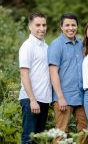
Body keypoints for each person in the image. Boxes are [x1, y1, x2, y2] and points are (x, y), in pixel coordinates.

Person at [48, 13, 88, 144]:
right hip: (63, 97)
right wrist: (60, 97)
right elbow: (53, 72)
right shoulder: (56, 45)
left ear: (77, 26)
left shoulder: (80, 45)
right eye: (67, 25)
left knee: (85, 132)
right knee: (61, 134)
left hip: (80, 96)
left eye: (73, 25)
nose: (71, 28)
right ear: (61, 27)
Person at [19, 12, 52, 144]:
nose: (42, 28)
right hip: (31, 99)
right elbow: (24, 74)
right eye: (37, 25)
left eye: (44, 25)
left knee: (38, 140)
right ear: (30, 27)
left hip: (43, 99)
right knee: (28, 139)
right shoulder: (27, 47)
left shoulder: (46, 46)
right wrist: (32, 100)